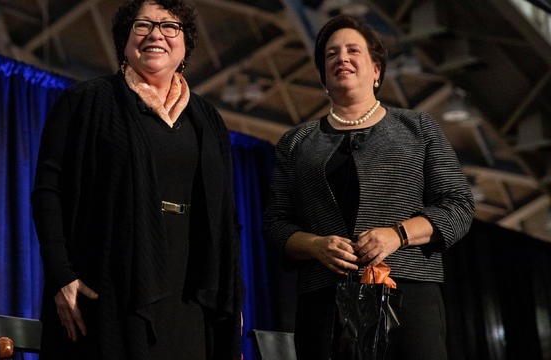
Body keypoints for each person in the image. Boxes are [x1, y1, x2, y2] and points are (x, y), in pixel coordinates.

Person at [31, 1, 243, 359]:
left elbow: (225, 217)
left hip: (190, 294)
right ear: (125, 40)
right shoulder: (86, 101)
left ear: (185, 43)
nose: (155, 34)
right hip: (112, 286)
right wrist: (61, 275)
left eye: (169, 26)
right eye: (142, 25)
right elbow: (48, 192)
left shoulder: (208, 120)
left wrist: (230, 296)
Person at [263, 14, 474, 360]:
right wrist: (316, 245)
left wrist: (398, 235)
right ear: (323, 76)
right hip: (324, 303)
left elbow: (458, 206)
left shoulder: (418, 127)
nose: (341, 58)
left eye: (352, 50)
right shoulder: (296, 141)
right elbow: (276, 225)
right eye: (331, 54)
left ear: (377, 70)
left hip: (408, 296)